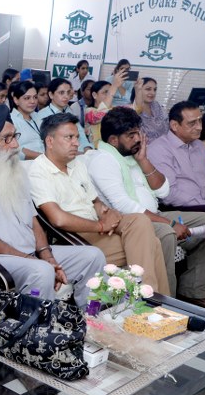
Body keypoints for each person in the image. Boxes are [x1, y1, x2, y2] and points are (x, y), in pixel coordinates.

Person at [0, 105, 105, 306]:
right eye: (7, 139)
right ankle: (41, 325)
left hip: (31, 254)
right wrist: (34, 261)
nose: (16, 144)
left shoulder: (14, 171)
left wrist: (47, 256)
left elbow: (33, 222)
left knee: (93, 257)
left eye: (15, 136)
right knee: (41, 271)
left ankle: (89, 319)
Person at [87, 107, 205, 306]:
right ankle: (169, 303)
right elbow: (124, 206)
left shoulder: (133, 155)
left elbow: (163, 191)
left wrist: (144, 160)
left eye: (138, 133)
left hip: (154, 213)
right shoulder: (103, 159)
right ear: (113, 140)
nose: (138, 139)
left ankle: (194, 293)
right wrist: (169, 223)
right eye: (131, 135)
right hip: (132, 222)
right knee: (166, 233)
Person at [28, 113, 170, 294]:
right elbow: (58, 219)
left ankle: (150, 298)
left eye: (77, 137)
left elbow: (95, 201)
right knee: (153, 244)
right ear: (50, 141)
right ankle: (149, 298)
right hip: (75, 237)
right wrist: (101, 226)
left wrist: (108, 213)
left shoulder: (76, 164)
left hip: (97, 226)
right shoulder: (38, 171)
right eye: (69, 137)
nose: (76, 143)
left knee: (140, 221)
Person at [148, 101, 205, 228]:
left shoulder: (199, 146)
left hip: (203, 204)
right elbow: (169, 194)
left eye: (200, 121)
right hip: (176, 207)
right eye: (192, 123)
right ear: (174, 125)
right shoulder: (159, 149)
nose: (199, 127)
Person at [37, 78, 92, 152]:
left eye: (68, 92)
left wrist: (87, 147)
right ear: (51, 95)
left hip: (79, 151)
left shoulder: (69, 110)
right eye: (61, 93)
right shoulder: (42, 115)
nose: (66, 96)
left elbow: (80, 132)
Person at [83, 74, 125, 143]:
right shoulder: (89, 111)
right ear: (94, 95)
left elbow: (137, 108)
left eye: (110, 92)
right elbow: (99, 116)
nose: (109, 96)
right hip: (94, 148)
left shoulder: (114, 109)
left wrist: (138, 90)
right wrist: (114, 86)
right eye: (105, 92)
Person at [8, 81, 44, 160]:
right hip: (26, 164)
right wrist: (43, 157)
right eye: (27, 98)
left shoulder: (38, 116)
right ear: (16, 100)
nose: (33, 101)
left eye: (35, 97)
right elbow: (15, 150)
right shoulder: (10, 120)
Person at [132, 78, 169, 142]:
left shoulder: (156, 105)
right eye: (148, 89)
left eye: (155, 89)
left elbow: (166, 123)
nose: (153, 93)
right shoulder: (132, 109)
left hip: (165, 143)